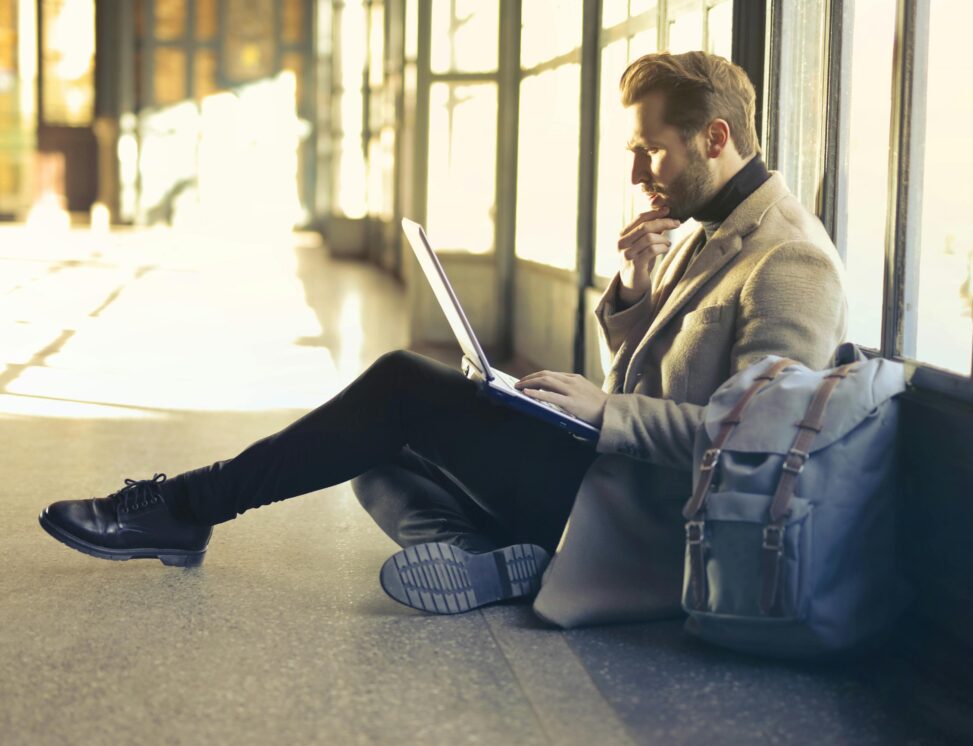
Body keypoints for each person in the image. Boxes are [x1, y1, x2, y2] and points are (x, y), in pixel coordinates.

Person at [38, 51, 847, 623]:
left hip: (649, 523)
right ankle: (488, 558)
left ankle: (186, 506)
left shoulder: (791, 259)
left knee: (398, 386)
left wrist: (604, 414)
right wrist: (634, 295)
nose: (639, 174)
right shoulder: (708, 226)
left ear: (714, 138)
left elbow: (760, 452)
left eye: (653, 151)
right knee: (374, 453)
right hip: (607, 473)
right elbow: (662, 381)